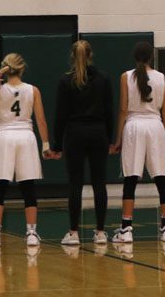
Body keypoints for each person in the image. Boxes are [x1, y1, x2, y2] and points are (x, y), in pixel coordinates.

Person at [0, 53, 53, 247]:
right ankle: (31, 233)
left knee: (0, 186)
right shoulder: (33, 90)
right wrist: (46, 145)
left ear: (4, 69)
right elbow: (40, 119)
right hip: (26, 138)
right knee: (28, 187)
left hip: (4, 138)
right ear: (22, 69)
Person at [52, 40, 114, 246]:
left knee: (75, 185)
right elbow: (109, 112)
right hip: (98, 133)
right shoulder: (103, 78)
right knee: (99, 183)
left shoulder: (65, 80)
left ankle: (73, 232)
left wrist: (56, 145)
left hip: (75, 134)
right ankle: (100, 232)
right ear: (91, 55)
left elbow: (60, 116)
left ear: (72, 56)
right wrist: (111, 139)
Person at [111, 42, 165, 243]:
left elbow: (122, 110)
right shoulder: (161, 77)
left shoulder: (125, 76)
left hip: (134, 127)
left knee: (131, 179)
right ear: (151, 58)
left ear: (135, 57)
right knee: (161, 178)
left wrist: (118, 139)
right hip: (156, 127)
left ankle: (127, 229)